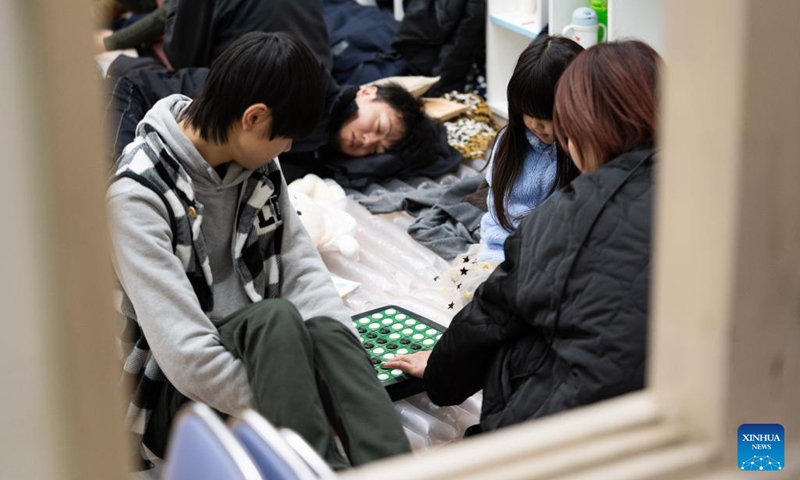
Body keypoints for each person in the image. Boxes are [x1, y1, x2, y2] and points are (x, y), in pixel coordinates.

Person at [107, 32, 410, 470]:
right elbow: (187, 358)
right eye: (284, 137)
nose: (287, 149)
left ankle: (398, 470)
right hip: (172, 397)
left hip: (271, 355)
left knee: (326, 328)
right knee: (276, 317)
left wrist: (346, 374)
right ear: (254, 117)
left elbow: (302, 267)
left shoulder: (258, 164)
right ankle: (317, 470)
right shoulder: (138, 197)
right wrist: (300, 402)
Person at [384, 40, 660, 434]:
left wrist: (440, 373)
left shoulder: (564, 215)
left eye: (559, 123)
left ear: (580, 126)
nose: (549, 133)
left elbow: (491, 317)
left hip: (588, 432)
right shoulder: (715, 185)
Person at [104, 62, 457, 184]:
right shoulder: (305, 88)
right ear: (366, 92)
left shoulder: (320, 156)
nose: (367, 142)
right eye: (377, 128)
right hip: (137, 96)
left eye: (379, 148)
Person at [478, 34, 583, 264]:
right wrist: (493, 263)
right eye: (527, 112)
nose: (536, 125)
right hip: (503, 256)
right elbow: (496, 218)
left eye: (546, 116)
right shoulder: (510, 143)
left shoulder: (584, 157)